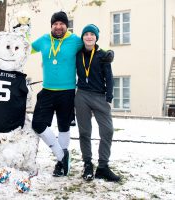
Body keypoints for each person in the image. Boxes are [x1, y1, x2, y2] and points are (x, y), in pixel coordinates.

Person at [31, 11, 83, 177]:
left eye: (62, 23)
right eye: (55, 24)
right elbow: (26, 47)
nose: (58, 26)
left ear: (66, 25)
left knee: (63, 126)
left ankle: (60, 165)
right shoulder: (44, 40)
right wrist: (22, 31)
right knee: (38, 124)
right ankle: (62, 156)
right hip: (47, 91)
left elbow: (91, 47)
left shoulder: (75, 40)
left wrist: (105, 54)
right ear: (51, 26)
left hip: (67, 92)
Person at [75, 24, 121, 182]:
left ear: (96, 37)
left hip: (100, 97)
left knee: (107, 131)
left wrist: (109, 96)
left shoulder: (103, 55)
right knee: (85, 132)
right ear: (82, 37)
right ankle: (87, 164)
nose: (89, 37)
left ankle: (103, 167)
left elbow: (109, 76)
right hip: (81, 96)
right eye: (86, 34)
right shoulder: (77, 53)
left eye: (92, 34)